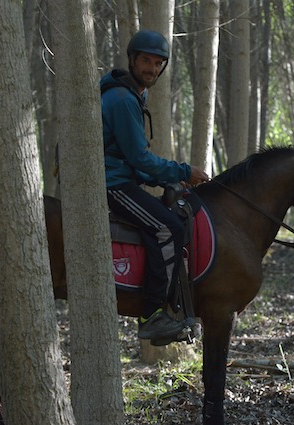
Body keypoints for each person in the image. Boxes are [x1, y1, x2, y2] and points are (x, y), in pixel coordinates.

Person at [100, 29, 210, 342]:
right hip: (112, 186)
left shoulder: (132, 94)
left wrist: (171, 177)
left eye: (158, 63)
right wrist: (184, 171)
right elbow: (139, 158)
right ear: (132, 59)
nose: (151, 68)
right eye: (146, 60)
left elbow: (130, 160)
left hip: (120, 177)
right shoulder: (122, 99)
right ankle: (151, 315)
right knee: (168, 228)